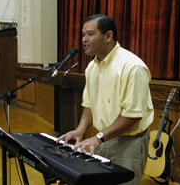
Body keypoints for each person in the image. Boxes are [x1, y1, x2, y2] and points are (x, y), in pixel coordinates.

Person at [56, 14, 154, 185]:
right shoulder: (91, 67)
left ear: (108, 36)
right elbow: (89, 105)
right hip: (103, 138)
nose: (84, 40)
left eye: (90, 34)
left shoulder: (132, 67)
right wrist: (80, 130)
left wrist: (99, 137)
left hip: (128, 143)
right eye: (83, 35)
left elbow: (132, 115)